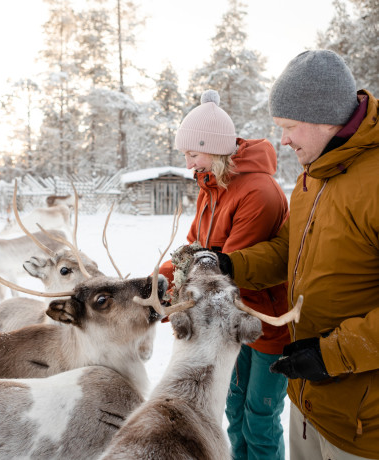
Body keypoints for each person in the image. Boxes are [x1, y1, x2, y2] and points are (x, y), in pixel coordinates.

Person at [217, 50, 379, 460]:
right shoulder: (311, 179)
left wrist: (329, 356)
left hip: (364, 424)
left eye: (289, 126)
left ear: (326, 118)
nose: (282, 139)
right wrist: (229, 265)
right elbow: (286, 251)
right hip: (308, 403)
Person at [159, 89, 291, 459]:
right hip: (226, 322)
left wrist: (181, 289)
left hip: (264, 323)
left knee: (260, 419)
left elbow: (224, 269)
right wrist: (157, 282)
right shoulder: (211, 186)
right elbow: (194, 248)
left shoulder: (258, 192)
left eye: (192, 154)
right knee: (233, 411)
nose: (188, 164)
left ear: (214, 148)